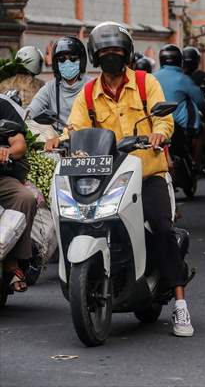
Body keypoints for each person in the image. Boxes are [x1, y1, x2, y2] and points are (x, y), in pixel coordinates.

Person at [45, 22, 194, 337]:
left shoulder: (145, 83)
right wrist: (60, 140)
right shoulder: (88, 93)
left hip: (147, 172)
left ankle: (180, 305)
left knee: (162, 226)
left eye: (116, 51)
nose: (111, 56)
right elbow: (74, 127)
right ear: (96, 56)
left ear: (126, 54)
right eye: (104, 52)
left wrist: (158, 132)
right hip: (105, 174)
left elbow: (164, 119)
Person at [0, 93, 37, 293]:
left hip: (2, 178)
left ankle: (13, 263)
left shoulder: (3, 105)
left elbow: (19, 144)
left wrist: (7, 151)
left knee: (26, 198)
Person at [28, 36, 91, 132]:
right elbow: (30, 112)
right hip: (56, 141)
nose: (67, 62)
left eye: (73, 58)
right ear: (56, 64)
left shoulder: (92, 86)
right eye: (61, 59)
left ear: (81, 61)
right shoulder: (50, 88)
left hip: (85, 138)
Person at [154, 44, 205, 132]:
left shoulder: (151, 77)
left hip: (154, 124)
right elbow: (200, 101)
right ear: (180, 61)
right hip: (181, 126)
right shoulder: (183, 79)